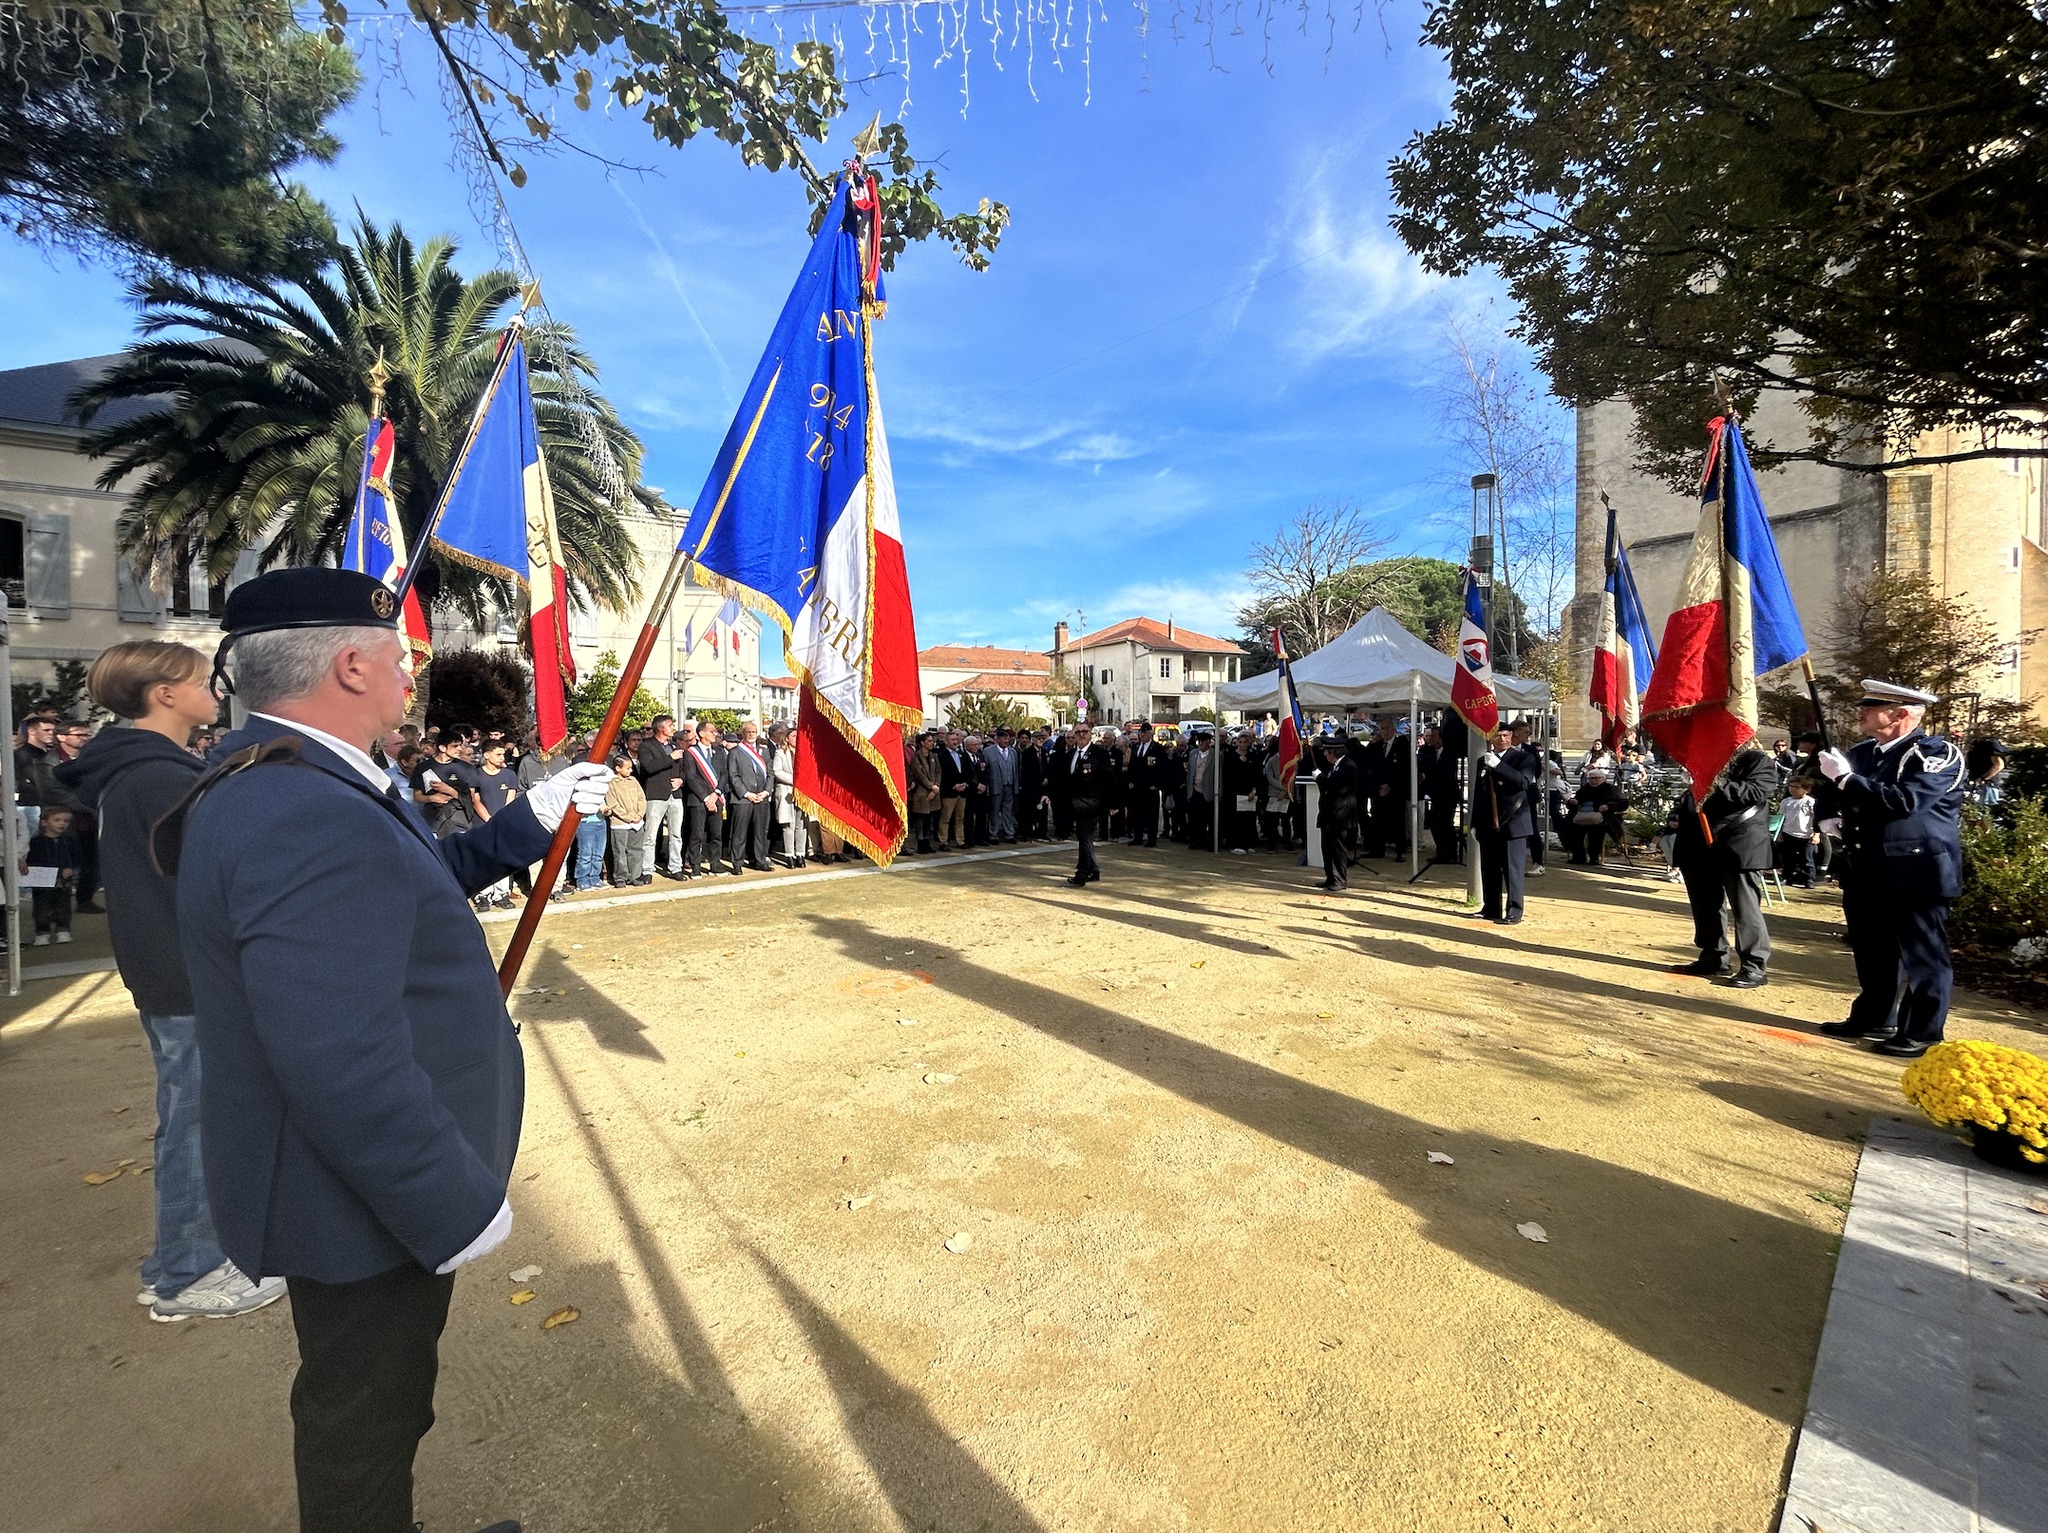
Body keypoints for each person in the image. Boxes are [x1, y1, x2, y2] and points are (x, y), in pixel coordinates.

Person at [174, 569, 608, 1533]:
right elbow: (340, 1060)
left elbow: (416, 883)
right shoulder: (303, 806)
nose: (412, 674)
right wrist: (446, 1203)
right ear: (351, 664)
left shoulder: (300, 775)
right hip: (358, 1198)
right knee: (365, 1414)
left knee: (380, 1400)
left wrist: (527, 822)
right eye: (402, 656)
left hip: (345, 1185)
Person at [55, 640, 285, 1322]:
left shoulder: (144, 768)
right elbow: (212, 873)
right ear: (163, 693)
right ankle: (188, 1272)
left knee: (192, 1116)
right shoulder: (157, 777)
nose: (211, 688)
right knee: (195, 1123)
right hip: (187, 974)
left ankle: (173, 1264)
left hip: (173, 971)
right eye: (196, 679)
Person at [1816, 681, 1968, 1056]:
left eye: (1873, 705)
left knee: (1923, 956)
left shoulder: (1935, 753)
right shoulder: (1864, 752)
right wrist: (1826, 815)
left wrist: (1847, 779)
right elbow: (1827, 788)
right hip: (1867, 867)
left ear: (1901, 713)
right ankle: (1874, 1014)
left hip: (1918, 871)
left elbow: (1907, 801)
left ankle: (1922, 1031)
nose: (1861, 711)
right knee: (1872, 950)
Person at [1670, 743, 1776, 988]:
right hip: (1698, 843)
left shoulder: (1756, 761)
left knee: (1745, 909)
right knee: (1705, 904)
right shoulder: (1707, 758)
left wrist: (1708, 781)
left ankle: (1754, 965)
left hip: (1737, 842)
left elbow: (1753, 793)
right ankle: (1713, 957)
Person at [1472, 725, 1536, 924]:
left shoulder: (1524, 758)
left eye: (1506, 735)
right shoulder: (1482, 761)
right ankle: (1491, 908)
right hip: (1488, 822)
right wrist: (1474, 822)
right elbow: (1479, 794)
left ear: (1512, 737)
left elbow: (1523, 782)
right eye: (1498, 736)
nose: (1502, 739)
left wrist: (1499, 766)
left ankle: (1514, 911)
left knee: (1512, 869)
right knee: (1489, 868)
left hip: (1513, 820)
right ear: (1490, 738)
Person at [464, 738, 524, 911]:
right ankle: (482, 895)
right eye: (497, 754)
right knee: (483, 860)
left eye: (503, 754)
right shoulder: (476, 774)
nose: (501, 758)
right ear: (486, 755)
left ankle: (501, 894)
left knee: (503, 859)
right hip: (482, 824)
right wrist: (490, 820)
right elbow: (475, 800)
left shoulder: (509, 775)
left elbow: (510, 800)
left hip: (504, 824)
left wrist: (503, 820)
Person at [1053, 723, 1112, 885]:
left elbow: (1109, 780)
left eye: (1084, 732)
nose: (1081, 735)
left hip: (1091, 803)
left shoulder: (1099, 754)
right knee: (1084, 838)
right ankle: (1094, 870)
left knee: (1085, 837)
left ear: (1091, 734)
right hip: (1073, 804)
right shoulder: (1071, 754)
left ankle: (1082, 873)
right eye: (1077, 732)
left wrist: (1112, 804)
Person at [635, 715, 687, 880]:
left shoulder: (674, 746)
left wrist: (681, 780)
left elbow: (683, 769)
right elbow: (649, 767)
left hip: (675, 794)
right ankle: (647, 870)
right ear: (661, 728)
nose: (673, 728)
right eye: (670, 725)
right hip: (656, 794)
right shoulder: (646, 746)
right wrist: (670, 758)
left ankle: (675, 867)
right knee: (650, 835)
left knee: (676, 834)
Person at [722, 720, 775, 873]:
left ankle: (759, 860)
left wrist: (766, 792)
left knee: (760, 832)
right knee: (740, 832)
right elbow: (733, 775)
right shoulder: (736, 751)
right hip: (742, 799)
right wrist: (747, 794)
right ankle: (737, 863)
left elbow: (770, 773)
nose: (751, 734)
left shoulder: (764, 752)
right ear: (743, 733)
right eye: (748, 732)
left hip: (762, 797)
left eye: (754, 731)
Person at [680, 720, 729, 876]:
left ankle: (715, 863)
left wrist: (716, 794)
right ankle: (695, 866)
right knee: (696, 834)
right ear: (701, 733)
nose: (715, 734)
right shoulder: (691, 752)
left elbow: (724, 775)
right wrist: (706, 797)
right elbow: (691, 777)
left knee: (716, 834)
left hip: (717, 799)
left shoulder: (719, 751)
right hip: (698, 800)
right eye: (712, 731)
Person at [1313, 738, 1362, 890]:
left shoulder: (1348, 766)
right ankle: (1330, 877)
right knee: (1327, 849)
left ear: (1334, 752)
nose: (1325, 754)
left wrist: (1320, 778)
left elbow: (1339, 789)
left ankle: (1340, 879)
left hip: (1341, 814)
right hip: (1329, 814)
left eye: (1326, 751)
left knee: (1338, 849)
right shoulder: (1334, 766)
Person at [26, 804, 77, 944]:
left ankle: (63, 929)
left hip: (63, 881)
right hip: (41, 880)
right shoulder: (36, 842)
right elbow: (31, 859)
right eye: (57, 820)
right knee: (41, 906)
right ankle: (42, 932)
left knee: (63, 905)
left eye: (65, 821)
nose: (62, 823)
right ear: (44, 822)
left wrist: (70, 867)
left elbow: (77, 856)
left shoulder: (70, 841)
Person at [1561, 767, 1627, 865]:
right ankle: (1579, 856)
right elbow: (1574, 803)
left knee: (1596, 832)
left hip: (1602, 818)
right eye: (1590, 779)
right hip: (1581, 817)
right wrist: (1572, 802)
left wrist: (1608, 806)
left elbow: (1623, 803)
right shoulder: (1584, 790)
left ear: (1602, 778)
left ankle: (1594, 857)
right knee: (1570, 829)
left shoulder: (1612, 789)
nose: (1593, 781)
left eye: (1596, 778)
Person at [602, 753, 648, 886]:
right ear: (617, 768)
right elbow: (613, 803)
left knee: (636, 850)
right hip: (620, 824)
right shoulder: (611, 783)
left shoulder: (633, 781)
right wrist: (628, 817)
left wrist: (639, 814)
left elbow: (641, 798)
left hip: (637, 823)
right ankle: (620, 877)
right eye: (627, 768)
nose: (631, 770)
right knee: (620, 851)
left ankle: (635, 876)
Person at [1775, 776, 1820, 887]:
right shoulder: (1786, 802)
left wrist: (1816, 834)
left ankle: (1809, 878)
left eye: (1797, 787)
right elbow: (1781, 817)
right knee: (1788, 857)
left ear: (1806, 789)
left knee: (1807, 858)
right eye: (1791, 786)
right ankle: (1787, 876)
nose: (1793, 789)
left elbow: (1816, 819)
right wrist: (1779, 832)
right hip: (1788, 833)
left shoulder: (1810, 802)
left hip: (1806, 835)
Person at [776, 729, 810, 865]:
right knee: (789, 824)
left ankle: (800, 854)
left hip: (802, 792)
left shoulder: (804, 752)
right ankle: (789, 854)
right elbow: (777, 771)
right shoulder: (780, 753)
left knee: (801, 824)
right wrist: (795, 780)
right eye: (794, 736)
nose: (796, 738)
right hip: (786, 791)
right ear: (787, 738)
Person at [981, 727, 1020, 843]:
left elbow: (1016, 770)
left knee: (1008, 811)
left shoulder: (1013, 752)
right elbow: (985, 771)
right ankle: (993, 834)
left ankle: (1009, 833)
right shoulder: (988, 751)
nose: (1007, 741)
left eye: (1008, 738)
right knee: (994, 811)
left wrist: (1016, 787)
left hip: (1009, 785)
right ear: (997, 739)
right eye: (1004, 738)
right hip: (995, 786)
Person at [936, 730, 971, 849]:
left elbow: (968, 771)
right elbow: (941, 775)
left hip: (962, 792)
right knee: (945, 818)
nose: (955, 742)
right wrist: (953, 785)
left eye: (956, 739)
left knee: (960, 818)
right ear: (946, 741)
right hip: (949, 792)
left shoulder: (962, 754)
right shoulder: (941, 756)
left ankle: (960, 840)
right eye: (952, 740)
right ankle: (943, 841)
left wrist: (965, 783)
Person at [907, 733, 941, 855]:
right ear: (922, 742)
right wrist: (931, 786)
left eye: (932, 741)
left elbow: (938, 772)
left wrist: (935, 787)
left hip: (933, 792)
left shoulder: (934, 756)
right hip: (921, 793)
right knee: (920, 818)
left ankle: (927, 841)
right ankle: (921, 842)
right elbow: (919, 774)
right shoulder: (916, 757)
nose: (932, 743)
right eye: (929, 741)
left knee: (929, 818)